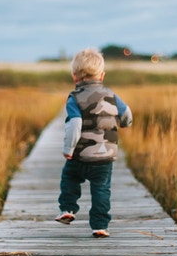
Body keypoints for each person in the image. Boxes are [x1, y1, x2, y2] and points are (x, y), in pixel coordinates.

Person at [55, 48, 133, 238]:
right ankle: (100, 226)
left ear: (75, 77)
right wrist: (123, 123)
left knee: (70, 179)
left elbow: (75, 124)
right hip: (105, 157)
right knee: (101, 189)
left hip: (80, 155)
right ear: (102, 75)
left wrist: (68, 149)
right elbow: (127, 116)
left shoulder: (74, 98)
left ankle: (68, 208)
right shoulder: (112, 96)